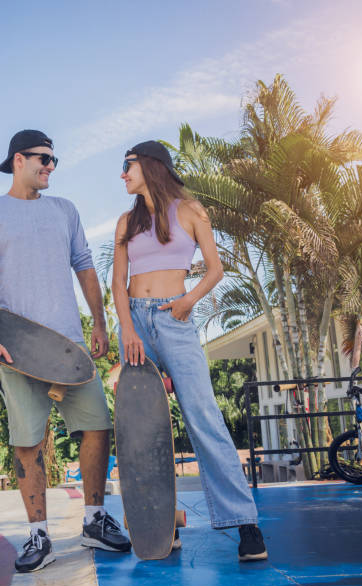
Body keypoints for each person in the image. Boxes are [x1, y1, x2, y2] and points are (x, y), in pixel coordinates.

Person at [0, 129, 131, 573]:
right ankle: (38, 533)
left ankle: (94, 520)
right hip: (15, 346)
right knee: (27, 440)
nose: (51, 166)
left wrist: (98, 322)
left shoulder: (65, 210)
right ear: (18, 160)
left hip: (68, 343)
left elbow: (85, 267)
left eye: (54, 160)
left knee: (97, 425)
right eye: (43, 158)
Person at [111, 140, 268, 561]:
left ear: (150, 165)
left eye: (127, 165)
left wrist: (188, 301)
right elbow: (118, 282)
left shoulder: (191, 211)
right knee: (145, 428)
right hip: (136, 327)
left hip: (175, 320)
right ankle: (163, 524)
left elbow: (215, 268)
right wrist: (127, 329)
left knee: (204, 418)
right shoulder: (126, 220)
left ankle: (245, 523)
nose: (122, 173)